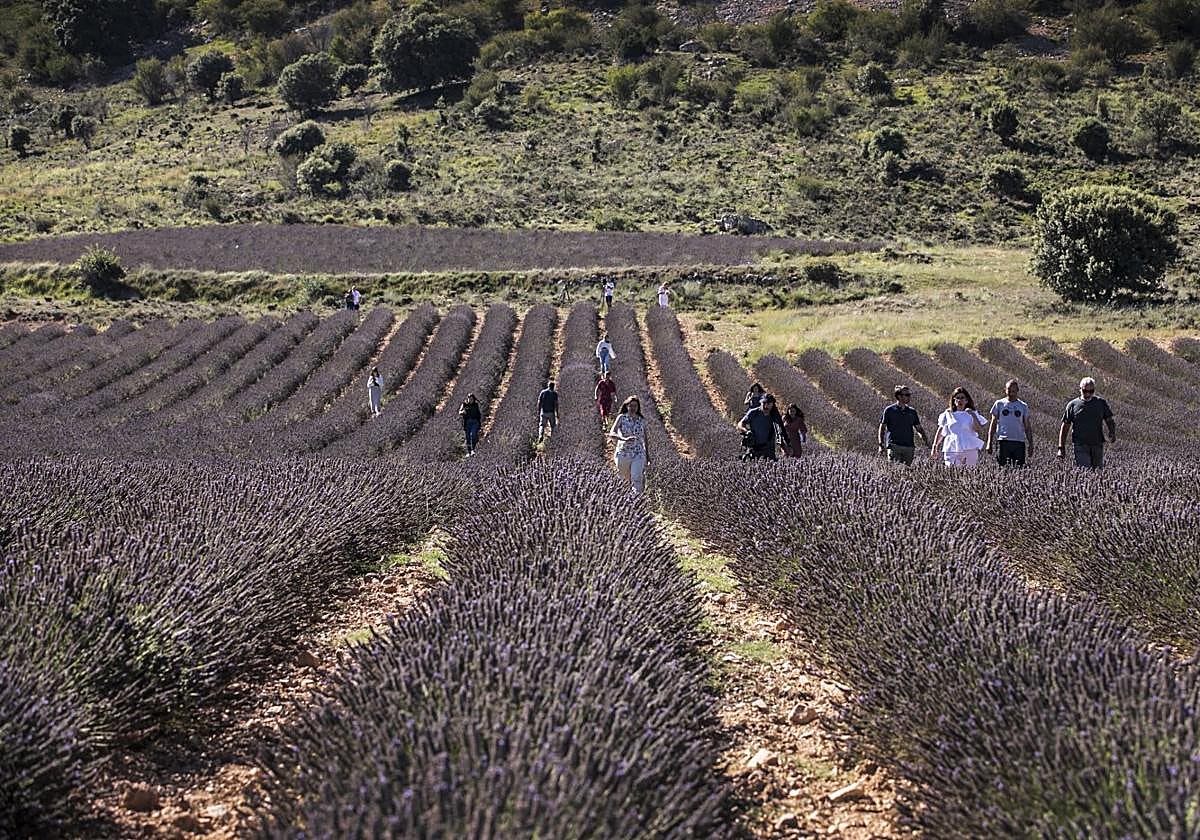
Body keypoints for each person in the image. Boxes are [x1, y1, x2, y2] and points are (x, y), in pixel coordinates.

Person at [1057, 377, 1115, 469]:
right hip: (1080, 445)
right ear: (1080, 389)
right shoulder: (1073, 405)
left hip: (1097, 443)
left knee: (1098, 472)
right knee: (1084, 471)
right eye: (1085, 391)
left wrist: (1112, 432)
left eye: (1091, 391)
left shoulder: (1100, 403)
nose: (1088, 393)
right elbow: (1065, 426)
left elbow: (1109, 419)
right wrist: (1061, 448)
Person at [931, 387, 989, 466]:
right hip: (951, 448)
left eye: (962, 398)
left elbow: (977, 429)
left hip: (969, 448)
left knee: (969, 473)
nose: (960, 400)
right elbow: (941, 431)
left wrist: (972, 415)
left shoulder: (972, 413)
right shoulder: (948, 413)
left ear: (966, 400)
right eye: (957, 398)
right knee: (951, 472)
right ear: (954, 401)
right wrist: (935, 446)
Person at [608, 395, 650, 493]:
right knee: (624, 480)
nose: (633, 408)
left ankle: (637, 502)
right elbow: (612, 433)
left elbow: (645, 439)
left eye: (635, 406)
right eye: (631, 406)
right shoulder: (621, 418)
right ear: (627, 406)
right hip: (623, 453)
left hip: (638, 454)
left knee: (636, 477)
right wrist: (624, 439)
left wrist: (648, 456)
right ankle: (625, 501)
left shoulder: (641, 420)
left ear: (638, 407)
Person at [986, 379, 1034, 466]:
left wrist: (1031, 444)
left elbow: (1027, 427)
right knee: (1002, 468)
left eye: (1013, 391)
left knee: (1019, 469)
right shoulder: (999, 404)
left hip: (1019, 442)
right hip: (1003, 441)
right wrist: (989, 442)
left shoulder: (1023, 406)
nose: (1011, 393)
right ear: (1005, 390)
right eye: (1009, 390)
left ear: (1017, 391)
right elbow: (993, 424)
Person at [879, 385, 930, 464]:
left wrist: (927, 442)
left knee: (906, 471)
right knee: (894, 470)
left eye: (909, 394)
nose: (909, 397)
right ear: (899, 396)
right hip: (894, 445)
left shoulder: (912, 412)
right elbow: (882, 428)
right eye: (907, 395)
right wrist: (881, 444)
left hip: (909, 447)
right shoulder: (889, 410)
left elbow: (919, 429)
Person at [739, 393, 787, 460]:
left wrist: (785, 446)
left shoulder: (774, 415)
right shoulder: (753, 412)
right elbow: (740, 424)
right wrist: (747, 431)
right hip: (754, 447)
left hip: (768, 449)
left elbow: (781, 431)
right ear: (760, 403)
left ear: (772, 405)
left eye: (768, 404)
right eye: (764, 403)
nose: (766, 406)